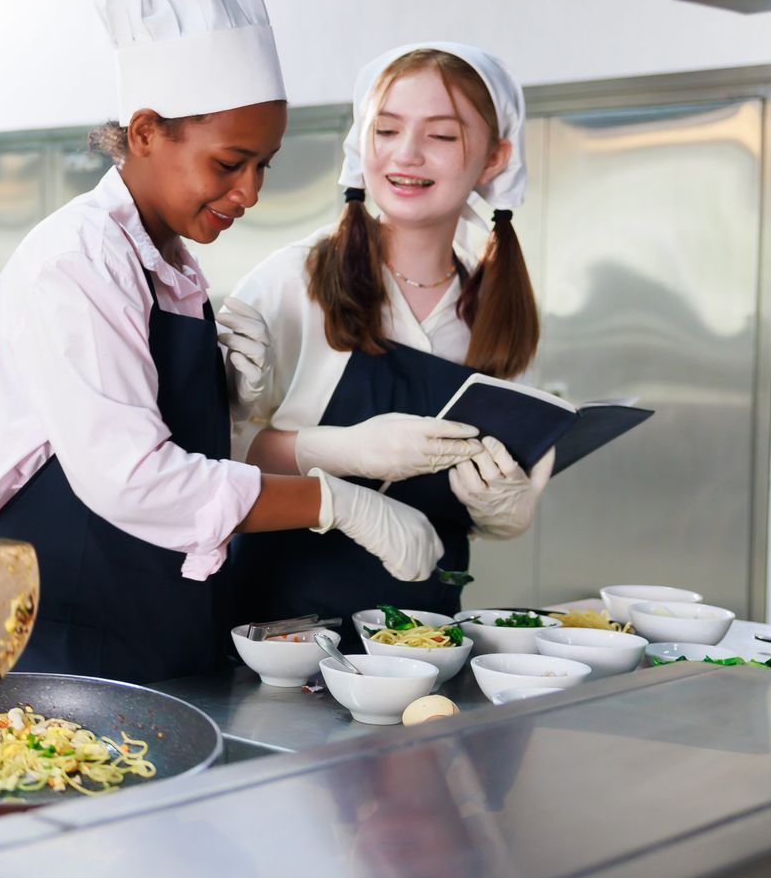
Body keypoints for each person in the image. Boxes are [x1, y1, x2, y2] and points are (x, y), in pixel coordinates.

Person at [0, 0, 444, 685]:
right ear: (145, 132)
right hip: (64, 626)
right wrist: (336, 501)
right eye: (229, 163)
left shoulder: (171, 265)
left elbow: (170, 444)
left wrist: (232, 410)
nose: (249, 191)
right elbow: (135, 480)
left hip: (158, 612)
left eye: (265, 166)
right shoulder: (76, 261)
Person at [218, 42, 549, 623]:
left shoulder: (495, 310)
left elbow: (508, 485)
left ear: (494, 159)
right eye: (387, 130)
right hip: (268, 633)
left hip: (423, 636)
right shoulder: (291, 282)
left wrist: (505, 509)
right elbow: (205, 456)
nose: (407, 155)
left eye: (442, 137)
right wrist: (343, 450)